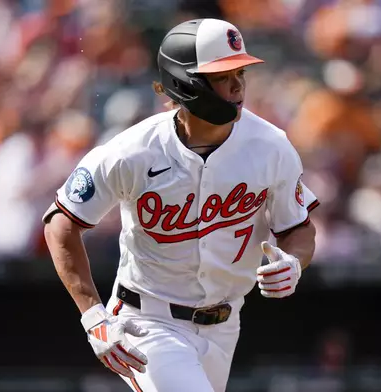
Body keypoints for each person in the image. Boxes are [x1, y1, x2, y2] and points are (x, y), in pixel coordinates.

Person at [42, 18, 319, 392]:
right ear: (186, 82)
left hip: (225, 325)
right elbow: (62, 221)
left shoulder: (271, 146)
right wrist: (93, 315)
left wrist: (294, 262)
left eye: (241, 72)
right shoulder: (134, 150)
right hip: (147, 321)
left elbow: (297, 227)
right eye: (223, 76)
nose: (238, 85)